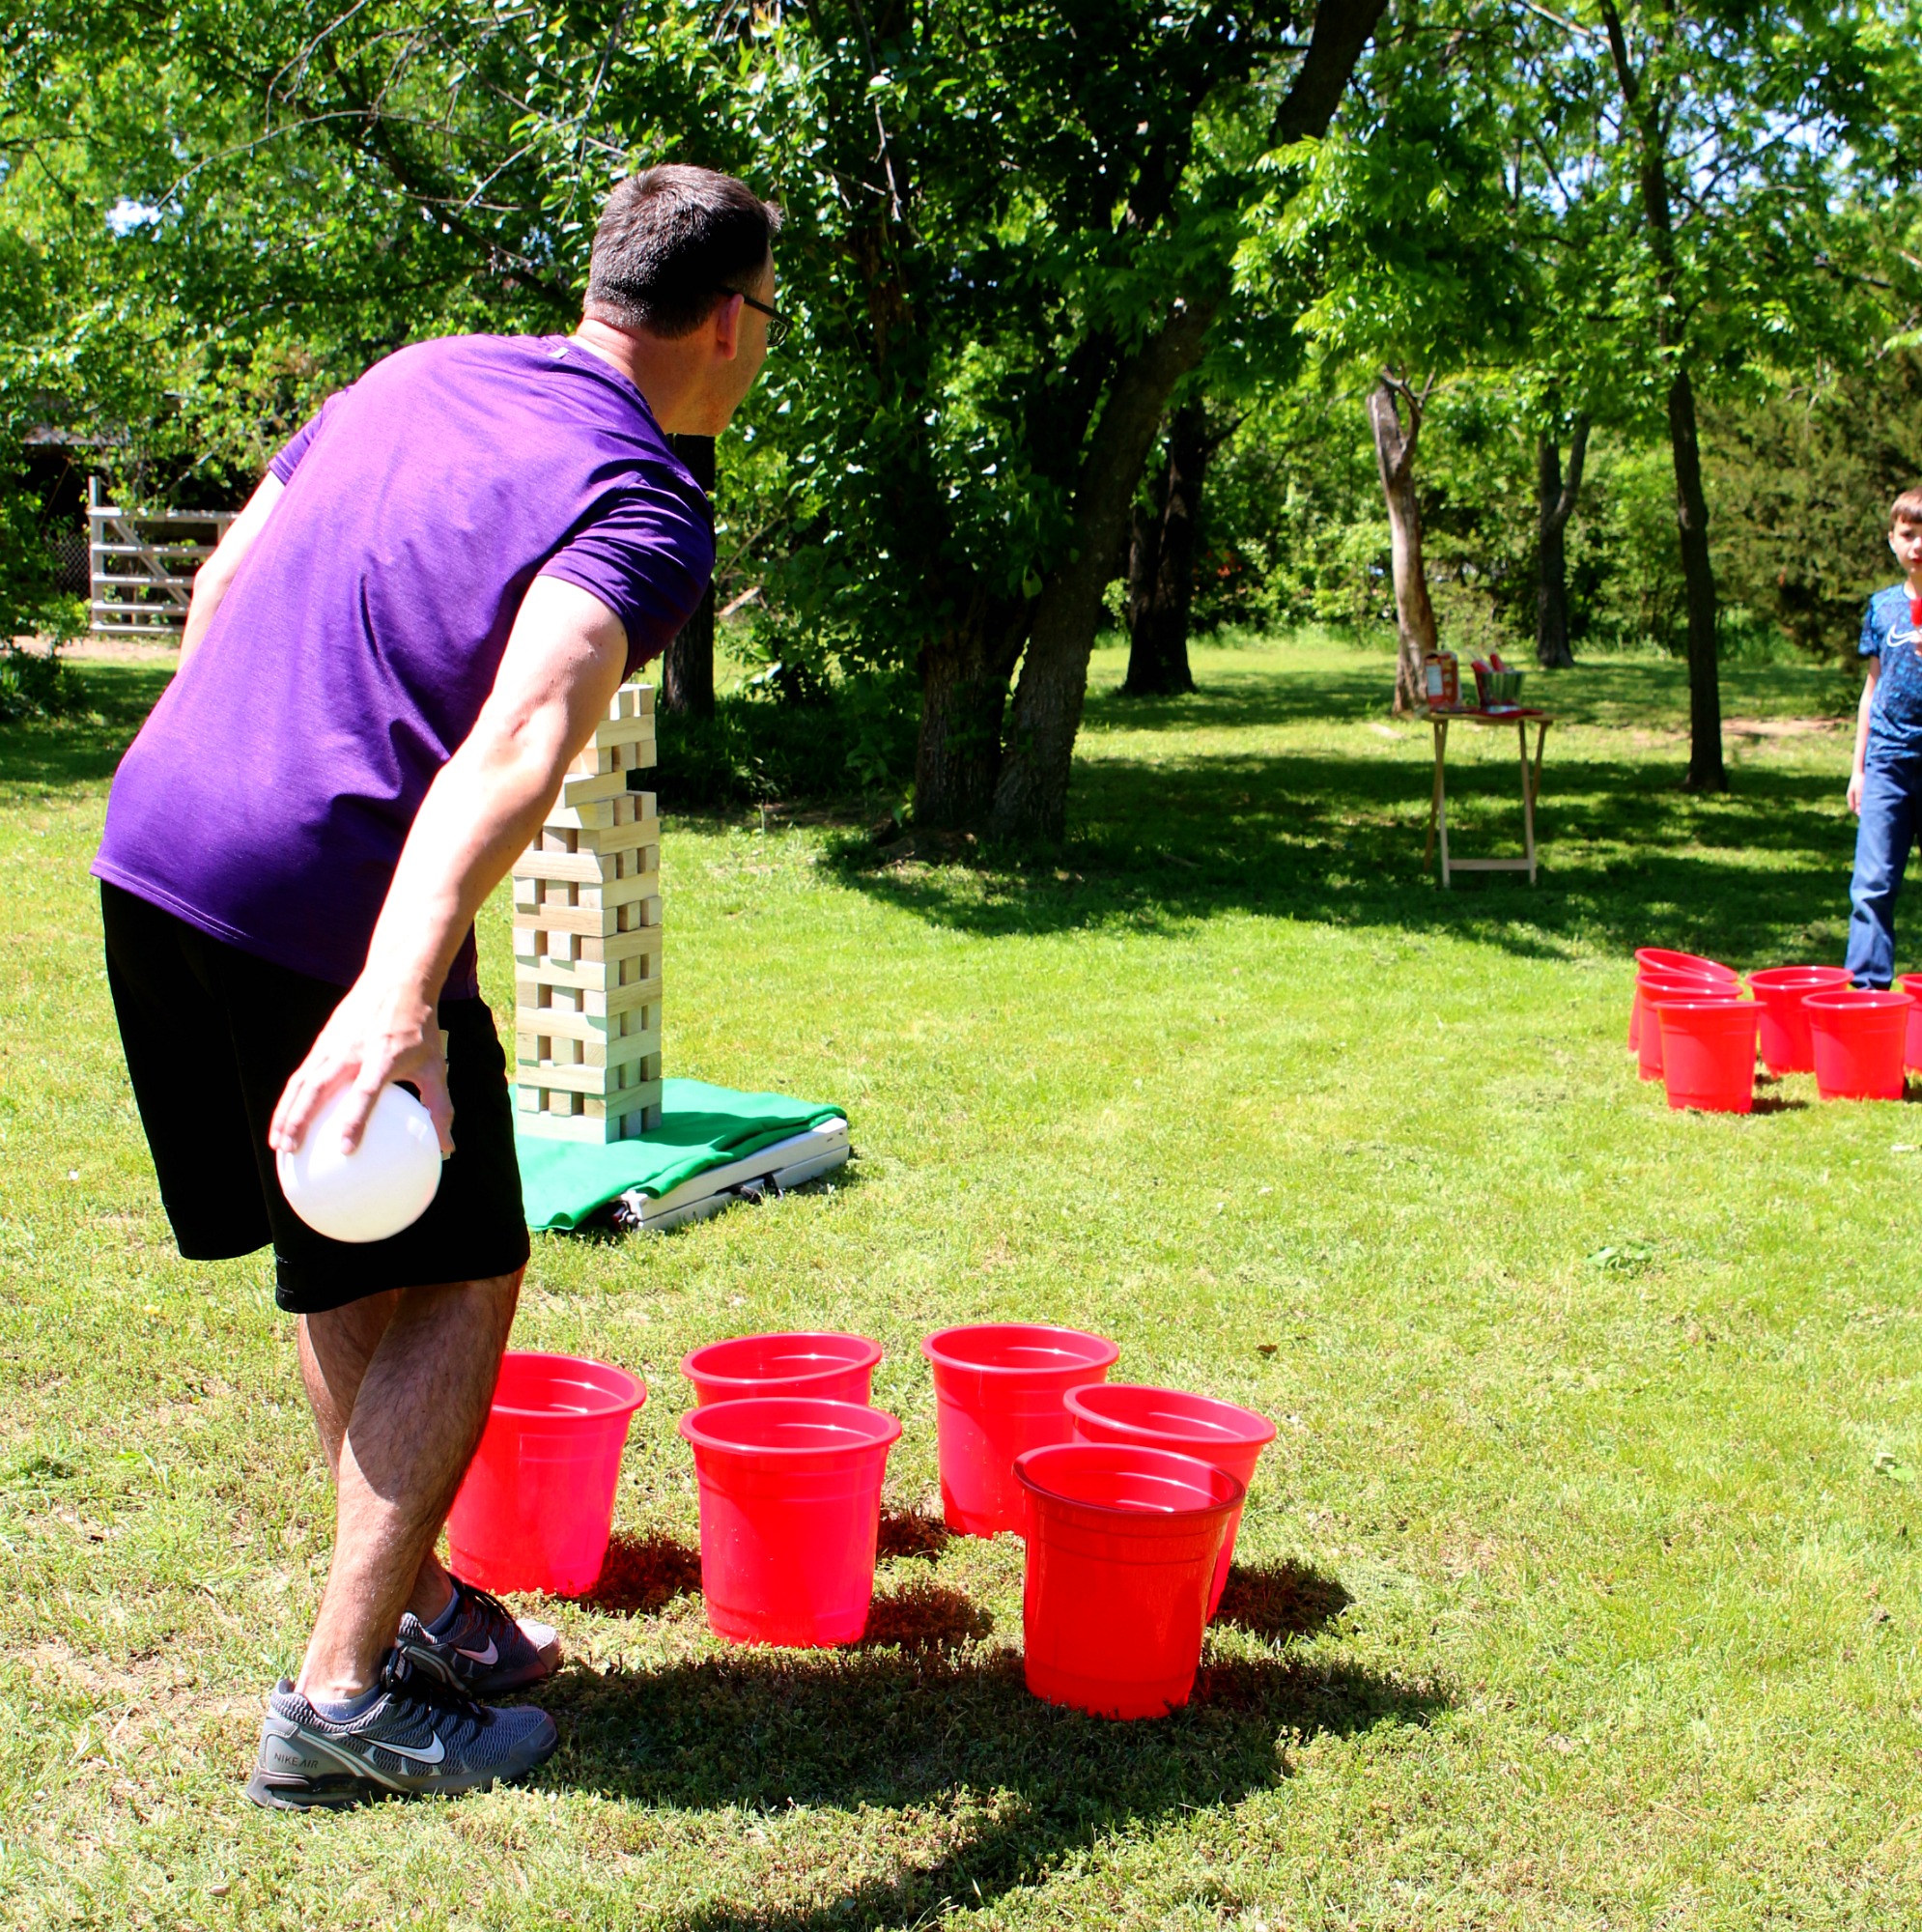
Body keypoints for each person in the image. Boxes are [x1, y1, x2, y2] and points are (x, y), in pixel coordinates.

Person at [92, 164, 783, 1809]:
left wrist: (238, 769)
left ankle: (416, 1604)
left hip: (156, 842)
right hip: (327, 898)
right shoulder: (639, 497)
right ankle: (340, 1699)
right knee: (468, 1266)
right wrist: (398, 993)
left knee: (350, 1243)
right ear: (732, 321)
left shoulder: (421, 371)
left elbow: (223, 584)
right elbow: (524, 737)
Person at [1846, 488, 1922, 987]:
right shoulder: (1882, 607)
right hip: (1888, 763)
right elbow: (1871, 690)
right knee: (1872, 883)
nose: (1917, 545)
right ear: (1892, 540)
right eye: (1908, 534)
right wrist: (1859, 768)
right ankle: (1866, 996)